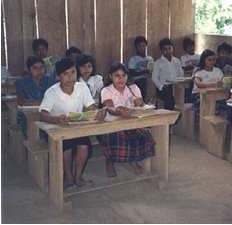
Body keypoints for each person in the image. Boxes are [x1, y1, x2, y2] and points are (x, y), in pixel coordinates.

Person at [39, 57, 105, 188]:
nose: (70, 77)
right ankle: (68, 177)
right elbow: (42, 114)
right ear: (58, 76)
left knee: (84, 147)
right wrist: (56, 119)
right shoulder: (52, 92)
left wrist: (97, 113)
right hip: (58, 129)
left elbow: (91, 106)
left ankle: (78, 176)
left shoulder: (82, 88)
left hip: (76, 127)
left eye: (73, 72)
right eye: (65, 74)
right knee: (66, 148)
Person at [100, 62, 155, 177]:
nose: (121, 79)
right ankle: (109, 161)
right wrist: (119, 111)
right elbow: (109, 108)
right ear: (111, 76)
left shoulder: (133, 88)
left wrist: (140, 104)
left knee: (145, 136)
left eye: (124, 75)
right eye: (117, 76)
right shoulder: (106, 90)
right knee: (119, 137)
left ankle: (133, 160)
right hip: (112, 124)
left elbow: (141, 106)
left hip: (131, 122)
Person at [15, 56, 55, 138]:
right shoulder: (21, 82)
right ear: (29, 70)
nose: (39, 71)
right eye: (35, 68)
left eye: (41, 67)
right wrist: (44, 102)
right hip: (27, 116)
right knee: (33, 130)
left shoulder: (50, 80)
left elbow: (55, 99)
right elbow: (21, 102)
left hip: (47, 113)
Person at [152, 38, 184, 110]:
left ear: (172, 48)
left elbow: (181, 74)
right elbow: (154, 78)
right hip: (165, 87)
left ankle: (180, 116)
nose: (168, 51)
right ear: (162, 51)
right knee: (170, 102)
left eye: (169, 48)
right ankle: (170, 117)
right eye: (165, 49)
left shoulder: (177, 61)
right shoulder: (158, 62)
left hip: (176, 85)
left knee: (183, 98)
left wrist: (179, 82)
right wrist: (161, 87)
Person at [191, 49, 223, 116]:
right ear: (204, 60)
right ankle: (205, 121)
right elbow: (199, 84)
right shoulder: (199, 71)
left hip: (215, 94)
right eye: (209, 60)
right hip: (199, 95)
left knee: (223, 104)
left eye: (213, 59)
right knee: (208, 103)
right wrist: (213, 85)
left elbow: (221, 83)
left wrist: (218, 84)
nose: (212, 62)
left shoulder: (218, 70)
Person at [127, 36, 153, 101]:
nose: (142, 48)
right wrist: (144, 71)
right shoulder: (133, 59)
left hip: (149, 81)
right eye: (139, 46)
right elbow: (132, 73)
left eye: (143, 46)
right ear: (136, 47)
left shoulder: (150, 59)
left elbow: (152, 71)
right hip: (137, 81)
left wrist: (149, 71)